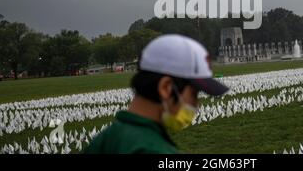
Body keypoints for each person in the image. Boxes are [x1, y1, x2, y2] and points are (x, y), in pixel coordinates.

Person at [84, 34, 229, 154]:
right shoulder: (156, 151)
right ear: (166, 88)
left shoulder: (105, 139)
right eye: (194, 94)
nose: (197, 104)